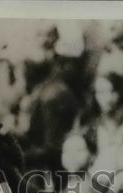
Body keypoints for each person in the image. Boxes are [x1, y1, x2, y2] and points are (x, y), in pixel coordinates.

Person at [15, 22, 80, 174]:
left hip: (52, 170)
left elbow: (52, 149)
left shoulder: (51, 94)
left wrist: (21, 157)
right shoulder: (39, 90)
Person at [80, 72, 123, 175]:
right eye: (101, 92)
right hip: (102, 175)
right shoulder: (94, 123)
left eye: (112, 91)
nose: (107, 98)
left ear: (120, 92)